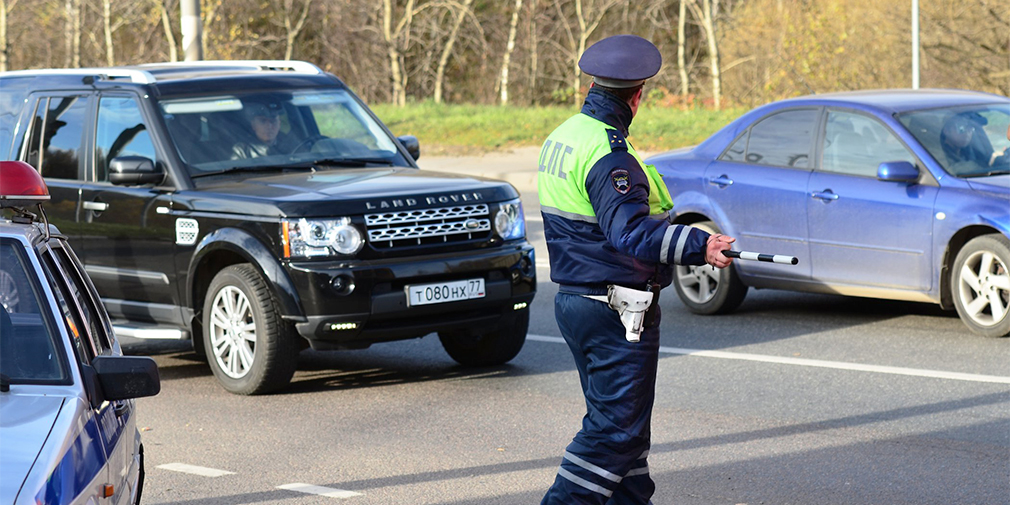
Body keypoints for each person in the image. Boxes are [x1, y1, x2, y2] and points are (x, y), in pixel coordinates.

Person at [536, 34, 735, 505]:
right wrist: (699, 244)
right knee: (613, 437)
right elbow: (631, 234)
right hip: (616, 309)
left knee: (625, 435)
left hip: (578, 301)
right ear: (638, 93)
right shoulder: (610, 155)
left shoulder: (564, 135)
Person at [940, 112, 1008, 173]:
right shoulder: (938, 155)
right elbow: (952, 171)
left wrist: (997, 159)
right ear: (946, 131)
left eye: (971, 128)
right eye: (961, 128)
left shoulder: (970, 151)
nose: (968, 131)